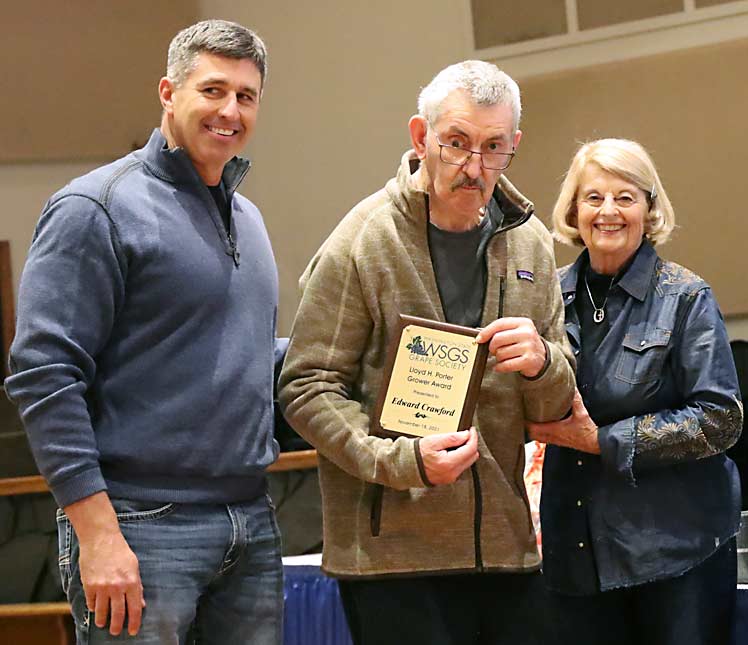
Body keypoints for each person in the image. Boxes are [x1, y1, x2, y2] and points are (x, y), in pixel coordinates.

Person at [277, 60, 576, 645]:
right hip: (392, 558)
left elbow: (559, 395)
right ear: (420, 137)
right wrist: (401, 461)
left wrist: (542, 362)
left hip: (504, 550)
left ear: (514, 144)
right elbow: (306, 386)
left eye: (493, 148)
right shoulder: (361, 241)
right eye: (457, 143)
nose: (474, 167)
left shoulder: (533, 242)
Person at [5, 20, 282, 643]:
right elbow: (44, 376)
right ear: (168, 92)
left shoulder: (249, 218)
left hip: (250, 521)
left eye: (246, 96)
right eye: (212, 90)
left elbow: (245, 357)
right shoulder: (95, 208)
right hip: (139, 524)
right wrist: (98, 534)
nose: (230, 110)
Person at [527, 138, 743, 644]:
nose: (608, 211)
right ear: (573, 210)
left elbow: (720, 419)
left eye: (626, 197)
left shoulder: (686, 296)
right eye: (593, 197)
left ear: (650, 209)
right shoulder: (544, 297)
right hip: (573, 552)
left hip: (675, 554)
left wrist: (601, 441)